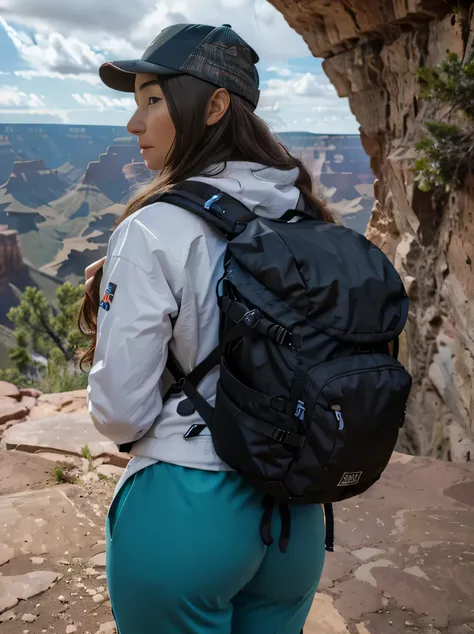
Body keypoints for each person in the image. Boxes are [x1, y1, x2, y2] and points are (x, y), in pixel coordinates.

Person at [80, 22, 333, 634]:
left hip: (187, 513)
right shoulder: (304, 212)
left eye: (152, 100)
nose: (134, 124)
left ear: (215, 105)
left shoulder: (153, 229)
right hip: (293, 516)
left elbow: (120, 414)